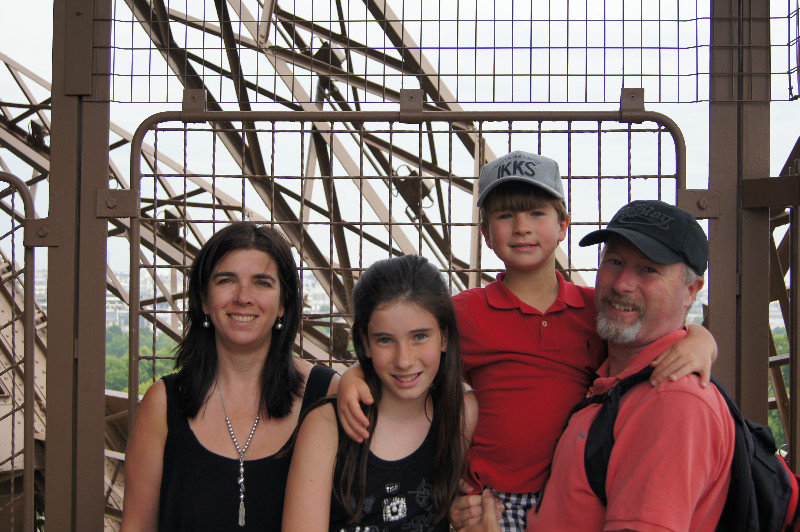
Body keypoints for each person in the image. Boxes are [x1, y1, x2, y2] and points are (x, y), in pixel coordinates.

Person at [337, 151, 718, 532]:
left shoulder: (596, 311)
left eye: (537, 214)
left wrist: (701, 338)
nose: (521, 227)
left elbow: (650, 344)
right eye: (505, 216)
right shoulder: (466, 313)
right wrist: (357, 375)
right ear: (486, 234)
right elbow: (410, 351)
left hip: (571, 490)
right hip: (494, 495)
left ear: (563, 225)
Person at [524, 200, 735, 531]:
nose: (622, 284)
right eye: (615, 261)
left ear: (691, 291)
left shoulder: (672, 400)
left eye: (649, 269)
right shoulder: (615, 374)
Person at [121, 222, 339, 532]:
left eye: (262, 283)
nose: (243, 297)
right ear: (204, 300)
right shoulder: (162, 404)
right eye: (226, 280)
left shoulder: (327, 394)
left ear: (284, 304)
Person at [282, 254, 479, 532]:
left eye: (419, 336)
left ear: (445, 337)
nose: (404, 360)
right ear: (365, 342)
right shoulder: (326, 426)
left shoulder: (461, 414)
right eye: (386, 339)